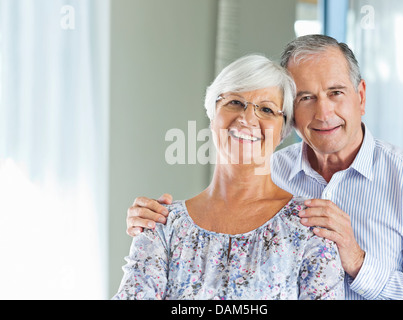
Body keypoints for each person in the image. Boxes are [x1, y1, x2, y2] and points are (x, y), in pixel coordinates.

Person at [127, 35, 403, 300]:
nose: (324, 111)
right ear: (291, 116)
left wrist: (358, 263)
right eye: (306, 97)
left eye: (336, 93)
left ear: (360, 96)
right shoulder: (264, 170)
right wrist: (150, 223)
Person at [113, 54, 345, 300]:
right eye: (235, 102)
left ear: (282, 132)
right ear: (213, 116)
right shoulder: (162, 226)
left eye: (266, 109)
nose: (247, 118)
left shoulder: (310, 228)